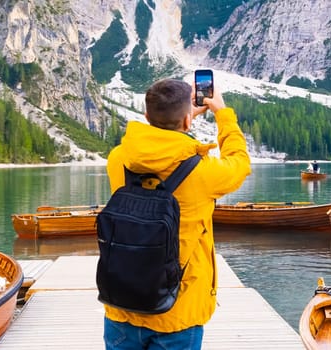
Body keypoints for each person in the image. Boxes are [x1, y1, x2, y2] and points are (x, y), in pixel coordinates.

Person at [103, 78, 251, 349]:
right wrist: (222, 114)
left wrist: (179, 117)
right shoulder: (203, 172)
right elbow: (240, 162)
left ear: (147, 116)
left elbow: (154, 147)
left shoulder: (118, 159)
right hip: (178, 310)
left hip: (122, 303)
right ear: (185, 121)